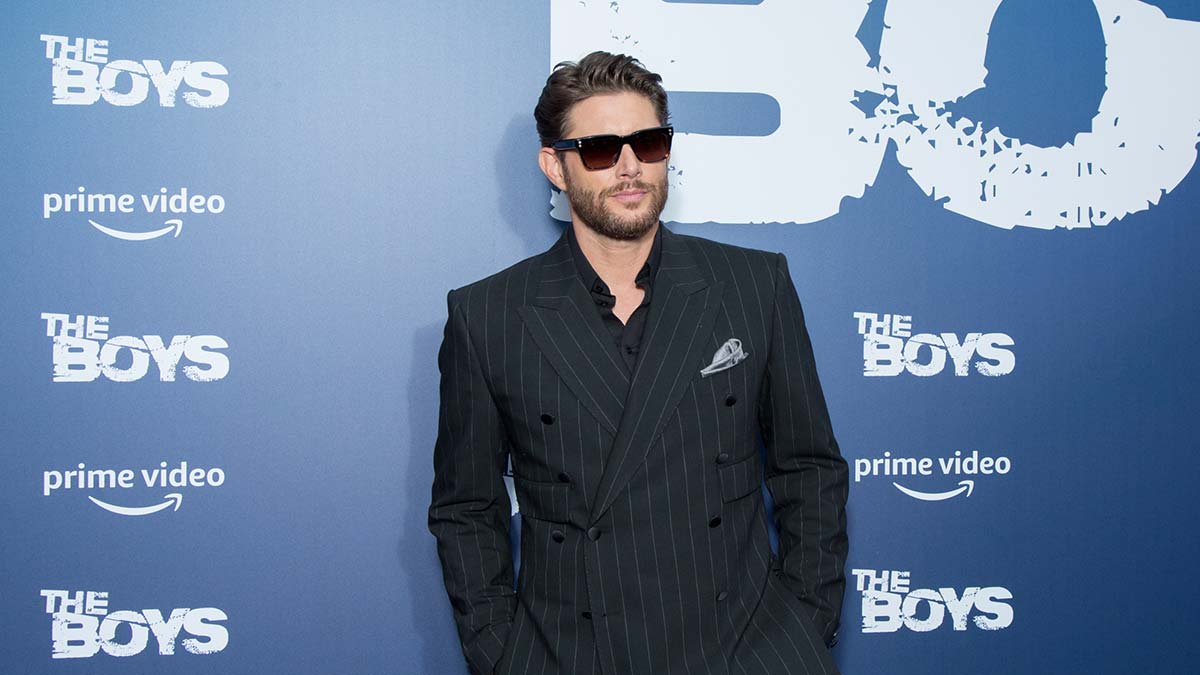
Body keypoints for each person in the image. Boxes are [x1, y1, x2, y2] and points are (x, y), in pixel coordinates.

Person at [428, 51, 848, 675]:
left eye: (648, 143)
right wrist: (502, 653)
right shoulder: (488, 315)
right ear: (555, 166)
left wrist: (803, 628)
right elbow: (466, 509)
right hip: (573, 655)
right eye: (600, 149)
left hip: (744, 649)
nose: (630, 167)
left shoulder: (753, 285)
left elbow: (809, 468)